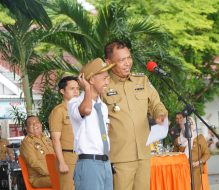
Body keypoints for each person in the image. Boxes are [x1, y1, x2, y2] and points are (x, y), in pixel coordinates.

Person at [103, 40, 168, 190]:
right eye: (121, 60)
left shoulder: (142, 80)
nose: (127, 63)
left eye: (129, 58)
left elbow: (156, 104)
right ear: (109, 62)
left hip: (144, 153)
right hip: (119, 157)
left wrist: (160, 115)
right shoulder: (103, 85)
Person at [68, 58, 115, 190]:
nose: (107, 81)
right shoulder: (75, 103)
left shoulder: (103, 107)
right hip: (89, 163)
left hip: (105, 163)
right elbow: (86, 110)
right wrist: (87, 88)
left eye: (108, 78)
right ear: (91, 79)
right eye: (104, 78)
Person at [49, 76, 79, 190]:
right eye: (72, 89)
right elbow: (55, 139)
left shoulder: (81, 109)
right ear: (62, 91)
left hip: (83, 156)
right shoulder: (59, 111)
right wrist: (61, 162)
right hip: (68, 157)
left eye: (77, 88)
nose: (76, 92)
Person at [173, 117, 210, 190]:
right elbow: (174, 154)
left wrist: (198, 162)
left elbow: (207, 154)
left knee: (194, 185)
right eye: (186, 124)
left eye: (191, 123)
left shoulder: (199, 137)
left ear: (194, 126)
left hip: (195, 166)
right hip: (182, 167)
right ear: (183, 126)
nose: (189, 126)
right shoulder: (178, 140)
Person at [20, 115, 54, 188]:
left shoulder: (47, 139)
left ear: (41, 125)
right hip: (38, 178)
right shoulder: (27, 142)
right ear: (26, 128)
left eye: (37, 122)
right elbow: (33, 162)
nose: (35, 124)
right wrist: (51, 173)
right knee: (64, 180)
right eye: (31, 124)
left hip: (54, 174)